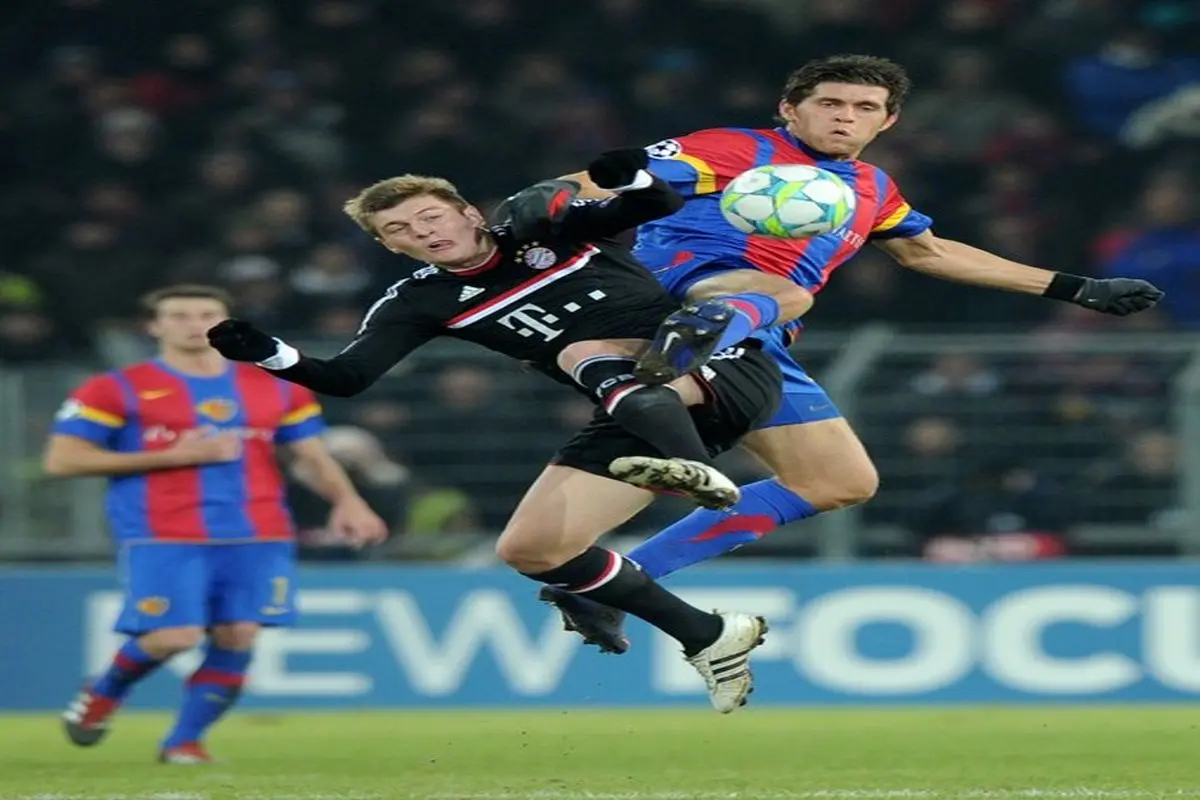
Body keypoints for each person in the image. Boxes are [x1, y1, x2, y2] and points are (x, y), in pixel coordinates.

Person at [543, 54, 1166, 653]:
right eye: (829, 103)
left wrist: (1075, 288)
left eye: (864, 107)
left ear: (888, 121)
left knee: (838, 480)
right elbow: (603, 179)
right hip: (672, 296)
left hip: (759, 336)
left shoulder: (870, 187)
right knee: (771, 292)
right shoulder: (731, 148)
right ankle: (683, 346)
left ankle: (616, 586)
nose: (845, 116)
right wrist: (542, 208)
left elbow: (928, 251)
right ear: (790, 109)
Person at [206, 149, 780, 712]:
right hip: (633, 408)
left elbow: (655, 203)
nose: (423, 232)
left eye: (431, 216)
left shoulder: (542, 229)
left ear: (468, 214)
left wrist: (627, 176)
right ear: (390, 247)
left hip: (717, 369)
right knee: (533, 549)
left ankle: (696, 472)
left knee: (580, 351)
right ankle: (708, 635)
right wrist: (267, 352)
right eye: (400, 230)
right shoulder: (421, 300)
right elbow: (346, 377)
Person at [46, 285, 388, 763]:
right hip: (163, 530)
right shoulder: (115, 387)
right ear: (154, 326)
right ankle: (104, 691)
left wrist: (349, 502)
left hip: (260, 529)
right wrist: (175, 455)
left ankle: (183, 743)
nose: (194, 324)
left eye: (207, 314)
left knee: (239, 634)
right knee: (174, 636)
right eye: (179, 315)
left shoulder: (276, 383)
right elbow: (63, 460)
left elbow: (310, 455)